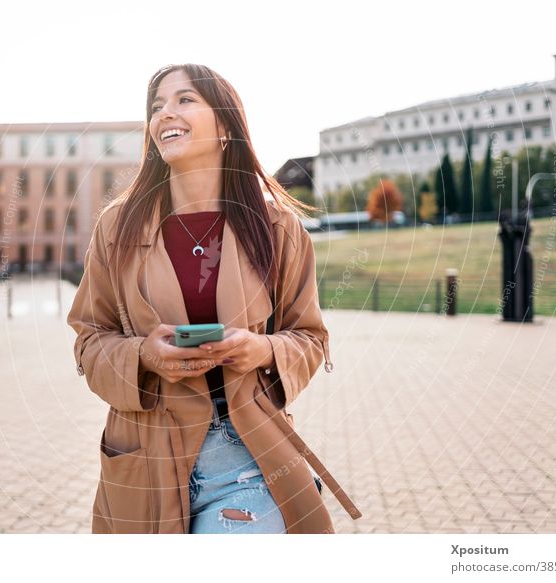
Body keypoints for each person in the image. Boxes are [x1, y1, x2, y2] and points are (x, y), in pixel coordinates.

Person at [67, 63, 335, 534]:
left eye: (184, 99)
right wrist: (143, 355)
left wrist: (263, 349)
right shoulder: (116, 228)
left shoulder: (277, 230)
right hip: (144, 460)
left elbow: (310, 337)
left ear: (226, 125)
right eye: (156, 106)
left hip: (247, 459)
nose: (165, 112)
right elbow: (90, 341)